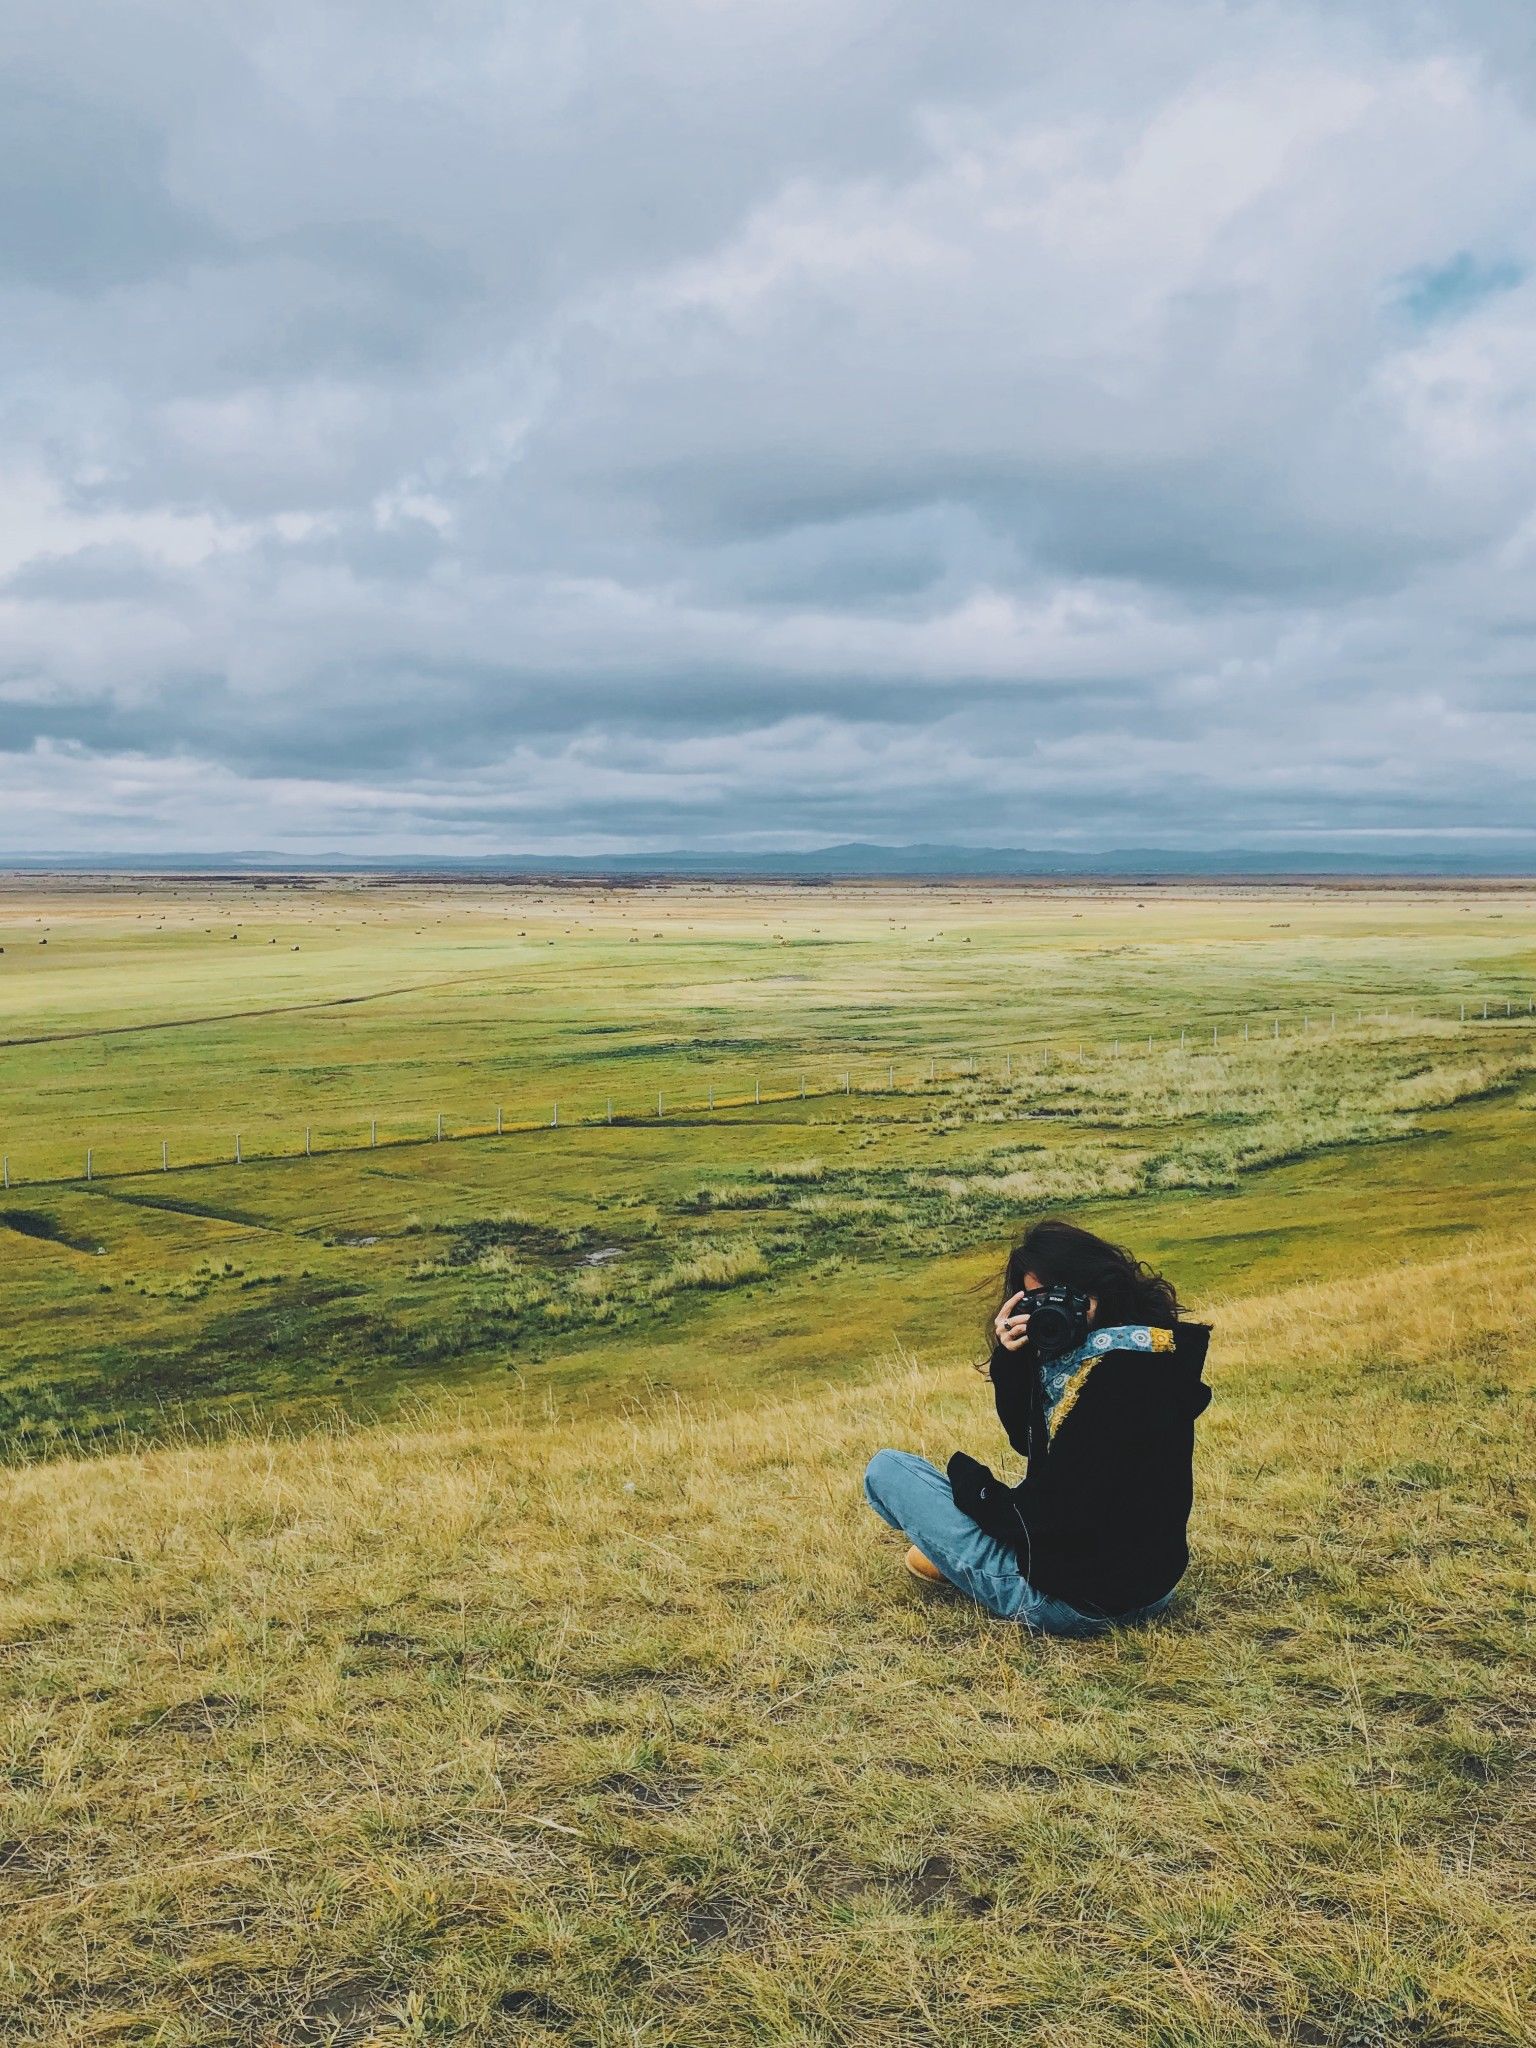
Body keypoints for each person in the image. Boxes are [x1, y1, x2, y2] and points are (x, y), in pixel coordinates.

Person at [864, 1219, 1211, 1635]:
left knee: (888, 1469)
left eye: (1066, 1295)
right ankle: (947, 1554)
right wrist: (1013, 1357)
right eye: (1038, 1300)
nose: (1054, 1309)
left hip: (1071, 1603)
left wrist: (973, 1487)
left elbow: (1048, 1516)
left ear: (1098, 1287)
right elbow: (1028, 1444)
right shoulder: (1147, 1353)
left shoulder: (1114, 1380)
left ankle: (950, 1559)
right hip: (1154, 1591)